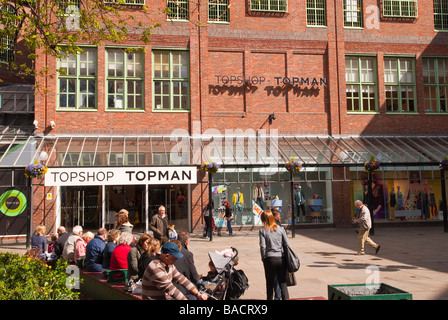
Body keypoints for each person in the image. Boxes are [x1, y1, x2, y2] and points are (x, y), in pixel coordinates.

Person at [141, 242, 207, 300]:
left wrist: (198, 294)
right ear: (167, 256)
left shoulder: (168, 264)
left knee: (193, 297)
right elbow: (170, 289)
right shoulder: (155, 268)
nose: (176, 260)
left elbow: (182, 279)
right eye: (175, 258)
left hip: (166, 298)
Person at [259, 210, 289, 300]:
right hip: (281, 257)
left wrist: (263, 258)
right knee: (282, 282)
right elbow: (287, 244)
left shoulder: (262, 230)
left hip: (269, 258)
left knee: (269, 283)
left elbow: (262, 247)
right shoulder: (281, 229)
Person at [173, 231, 201, 299]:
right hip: (181, 288)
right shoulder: (187, 254)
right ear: (187, 242)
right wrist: (199, 281)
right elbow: (193, 274)